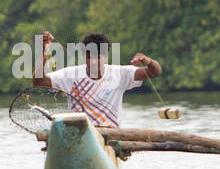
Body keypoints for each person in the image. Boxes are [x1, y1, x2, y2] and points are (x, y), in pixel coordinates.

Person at [30, 31, 162, 128]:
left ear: (105, 56)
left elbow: (155, 72)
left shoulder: (120, 73)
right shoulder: (71, 74)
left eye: (97, 57)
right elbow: (38, 82)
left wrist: (148, 61)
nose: (93, 62)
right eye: (89, 57)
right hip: (79, 134)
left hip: (110, 136)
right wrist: (44, 51)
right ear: (84, 55)